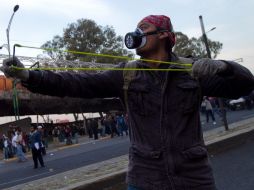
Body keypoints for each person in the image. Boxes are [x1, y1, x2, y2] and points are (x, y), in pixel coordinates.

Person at [1, 15, 254, 190]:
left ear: (165, 35)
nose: (136, 34)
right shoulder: (127, 74)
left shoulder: (193, 72)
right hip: (145, 179)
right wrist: (29, 76)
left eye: (143, 29)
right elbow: (76, 83)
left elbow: (244, 85)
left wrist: (224, 67)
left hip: (194, 178)